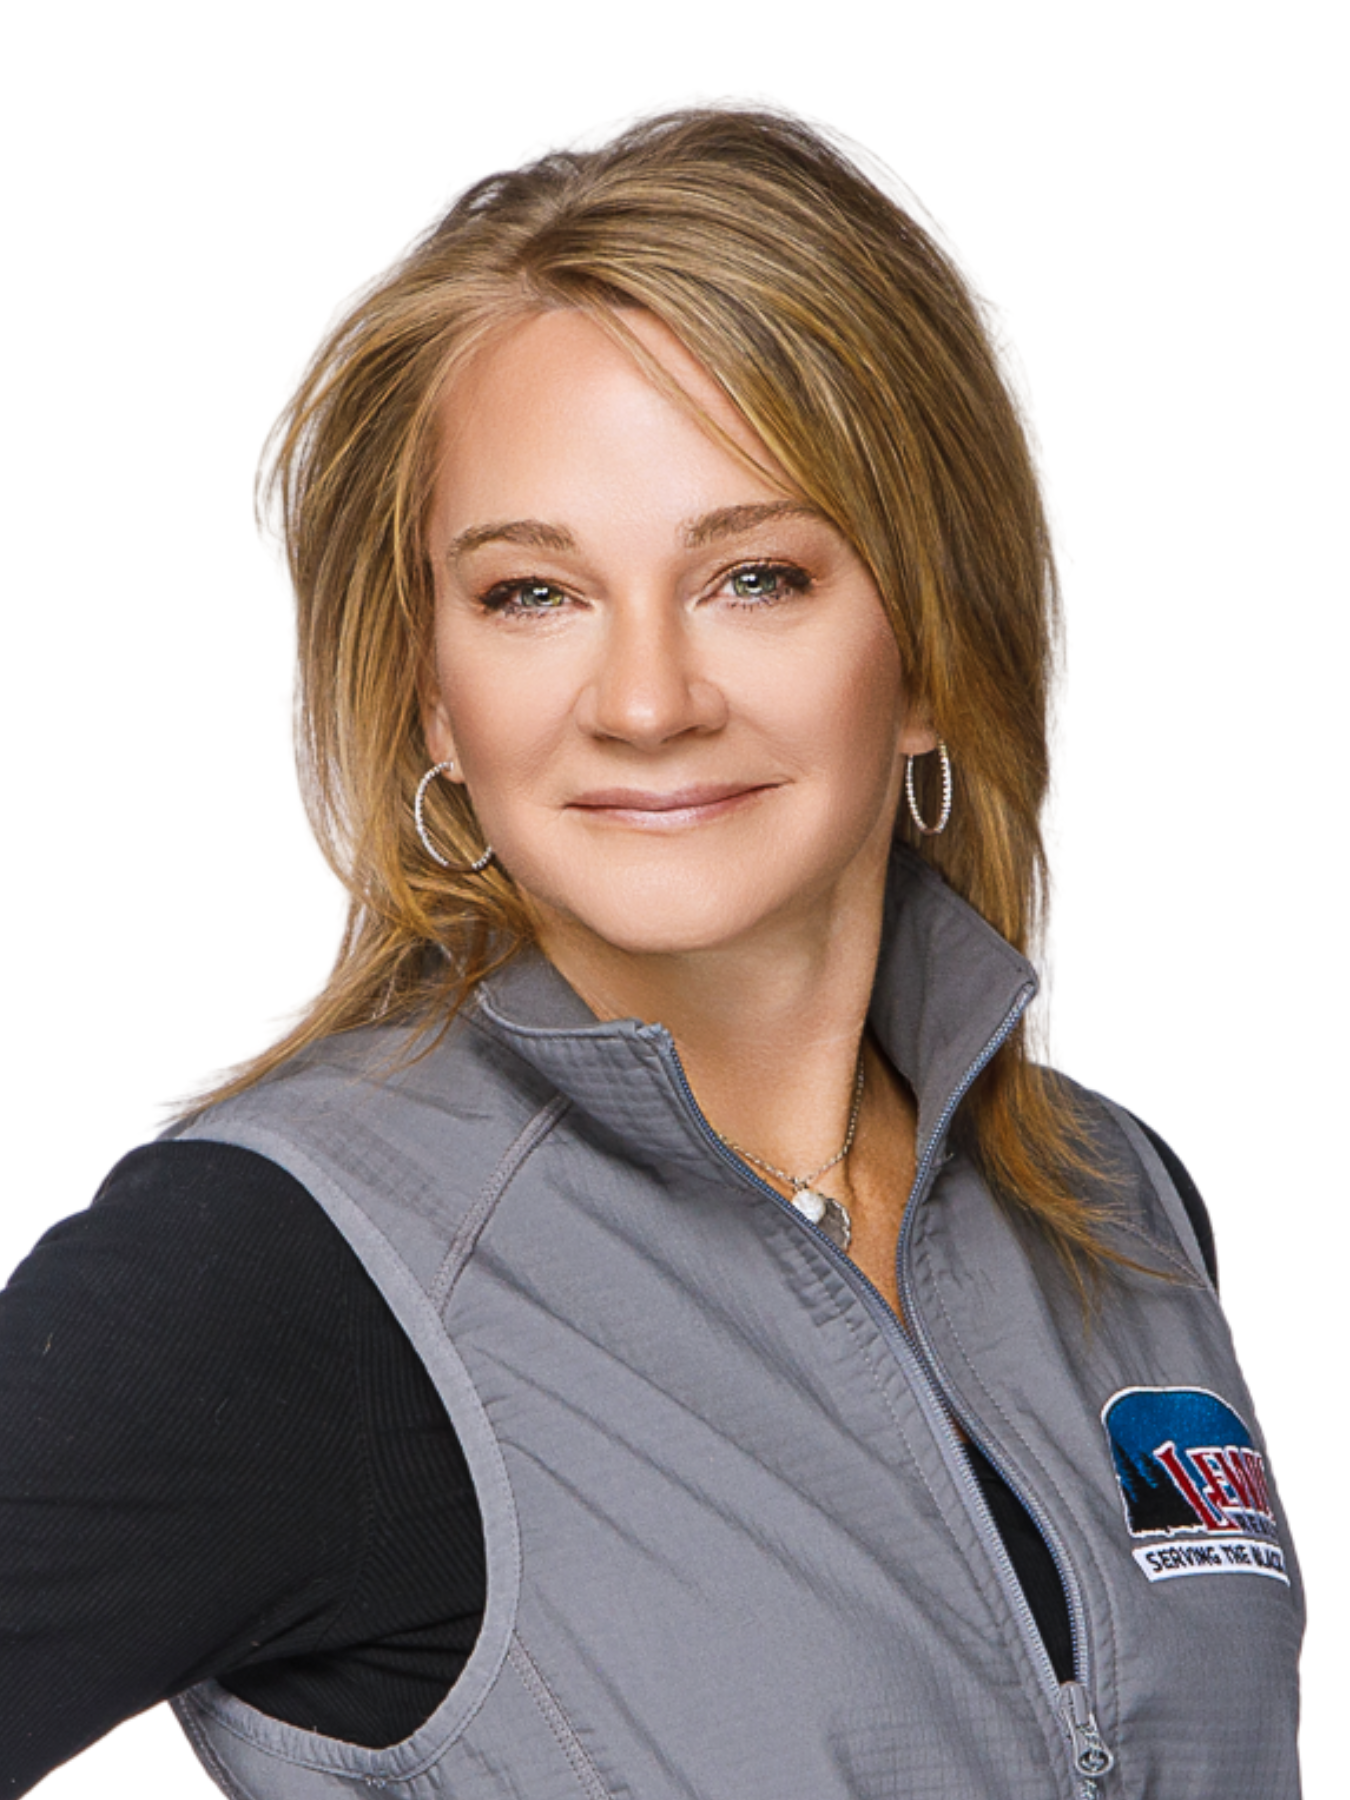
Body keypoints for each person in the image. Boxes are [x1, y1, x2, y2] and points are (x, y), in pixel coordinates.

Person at [0, 108, 1301, 1798]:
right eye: (531, 594)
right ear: (429, 692)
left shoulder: (1114, 1207)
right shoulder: (279, 1271)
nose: (643, 700)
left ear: (924, 650)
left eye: (753, 576)